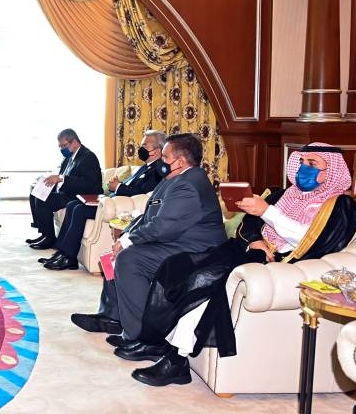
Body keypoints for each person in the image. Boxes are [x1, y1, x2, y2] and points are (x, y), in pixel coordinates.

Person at [131, 143, 356, 387]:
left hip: (279, 264)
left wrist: (268, 212)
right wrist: (255, 240)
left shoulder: (341, 207)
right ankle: (154, 338)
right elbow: (248, 225)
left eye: (313, 165)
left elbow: (313, 240)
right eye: (302, 162)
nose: (305, 169)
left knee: (205, 281)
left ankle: (177, 360)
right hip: (249, 251)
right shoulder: (284, 195)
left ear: (332, 171)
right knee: (177, 265)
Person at [69, 133, 226, 363]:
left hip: (196, 253)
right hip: (176, 241)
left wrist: (128, 242)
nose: (160, 161)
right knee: (116, 254)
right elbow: (149, 214)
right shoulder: (172, 179)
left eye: (165, 156)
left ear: (180, 161)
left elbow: (163, 226)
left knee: (130, 259)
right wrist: (127, 235)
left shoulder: (190, 184)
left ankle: (147, 339)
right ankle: (117, 319)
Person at [41, 130, 166, 271]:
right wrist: (118, 184)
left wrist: (118, 187)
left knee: (79, 210)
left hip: (121, 208)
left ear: (157, 151)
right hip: (111, 201)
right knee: (72, 205)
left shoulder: (158, 171)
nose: (141, 149)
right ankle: (62, 252)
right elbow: (132, 186)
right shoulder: (144, 167)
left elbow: (141, 193)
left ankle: (69, 258)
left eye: (145, 146)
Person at [27, 129, 102, 250]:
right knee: (36, 193)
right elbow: (62, 176)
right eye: (60, 146)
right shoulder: (68, 157)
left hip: (79, 196)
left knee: (43, 200)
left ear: (75, 142)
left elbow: (89, 184)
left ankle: (49, 238)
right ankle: (44, 234)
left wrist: (62, 178)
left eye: (64, 145)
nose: (62, 149)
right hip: (66, 192)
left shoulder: (88, 157)